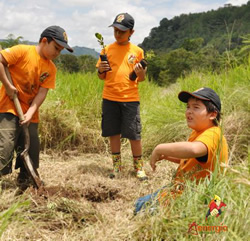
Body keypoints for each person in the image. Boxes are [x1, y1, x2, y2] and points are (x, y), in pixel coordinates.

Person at [0, 25, 73, 189]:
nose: (57, 53)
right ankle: (1, 180)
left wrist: (30, 112)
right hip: (8, 108)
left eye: (60, 50)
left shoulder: (51, 68)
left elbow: (42, 93)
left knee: (31, 146)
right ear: (44, 41)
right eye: (56, 48)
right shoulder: (22, 51)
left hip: (30, 113)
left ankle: (25, 179)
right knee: (5, 146)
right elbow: (1, 61)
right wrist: (7, 85)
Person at [135, 87, 228, 213]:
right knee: (139, 203)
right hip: (178, 190)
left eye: (196, 107)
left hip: (193, 198)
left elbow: (194, 150)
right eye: (188, 107)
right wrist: (167, 156)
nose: (189, 111)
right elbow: (192, 160)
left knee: (141, 209)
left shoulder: (213, 134)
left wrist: (159, 148)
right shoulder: (198, 133)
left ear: (212, 114)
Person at [96, 13, 147, 181]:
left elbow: (142, 78)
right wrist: (101, 70)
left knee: (134, 134)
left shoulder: (137, 51)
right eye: (116, 31)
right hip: (110, 97)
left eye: (122, 32)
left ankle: (138, 168)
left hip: (130, 99)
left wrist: (140, 73)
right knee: (114, 133)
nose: (118, 34)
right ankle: (117, 167)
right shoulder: (106, 50)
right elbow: (101, 76)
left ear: (131, 32)